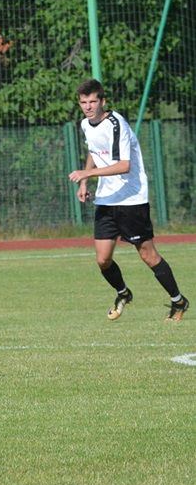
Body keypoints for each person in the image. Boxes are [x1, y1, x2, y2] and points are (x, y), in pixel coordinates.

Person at [68, 78, 188, 321]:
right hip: (106, 199)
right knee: (102, 259)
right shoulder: (85, 124)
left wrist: (87, 173)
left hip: (131, 199)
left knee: (148, 255)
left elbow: (124, 165)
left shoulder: (116, 124)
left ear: (103, 101)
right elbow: (94, 151)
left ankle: (178, 301)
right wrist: (84, 182)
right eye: (83, 102)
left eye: (93, 101)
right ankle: (123, 293)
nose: (88, 106)